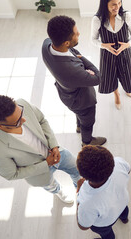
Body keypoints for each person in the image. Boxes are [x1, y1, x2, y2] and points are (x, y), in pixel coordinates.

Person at [0, 94, 80, 204]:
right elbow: (12, 174)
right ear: (0, 126)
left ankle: (80, 189)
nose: (24, 119)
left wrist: (54, 146)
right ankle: (58, 191)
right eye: (18, 121)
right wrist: (46, 164)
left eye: (21, 112)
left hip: (58, 152)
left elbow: (42, 120)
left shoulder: (22, 103)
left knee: (77, 169)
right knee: (51, 186)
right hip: (39, 174)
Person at [42, 15, 106, 146]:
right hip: (82, 101)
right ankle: (87, 142)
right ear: (66, 43)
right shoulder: (71, 71)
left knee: (79, 116)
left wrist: (78, 59)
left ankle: (79, 127)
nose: (79, 34)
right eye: (76, 34)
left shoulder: (47, 44)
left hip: (66, 94)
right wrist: (82, 58)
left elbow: (72, 51)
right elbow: (98, 77)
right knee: (88, 122)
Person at [76, 145, 130, 239]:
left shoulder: (86, 202)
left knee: (107, 234)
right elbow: (128, 170)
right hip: (123, 202)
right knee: (124, 210)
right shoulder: (118, 162)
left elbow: (83, 226)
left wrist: (78, 192)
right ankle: (125, 219)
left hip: (106, 223)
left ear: (82, 174)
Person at [91, 0, 131, 110]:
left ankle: (126, 89)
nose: (117, 7)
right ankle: (116, 94)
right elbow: (93, 39)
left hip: (125, 53)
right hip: (107, 55)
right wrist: (104, 45)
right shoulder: (97, 19)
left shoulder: (126, 16)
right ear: (105, 4)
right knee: (111, 77)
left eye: (119, 3)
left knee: (126, 76)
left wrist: (127, 45)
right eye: (113, 4)